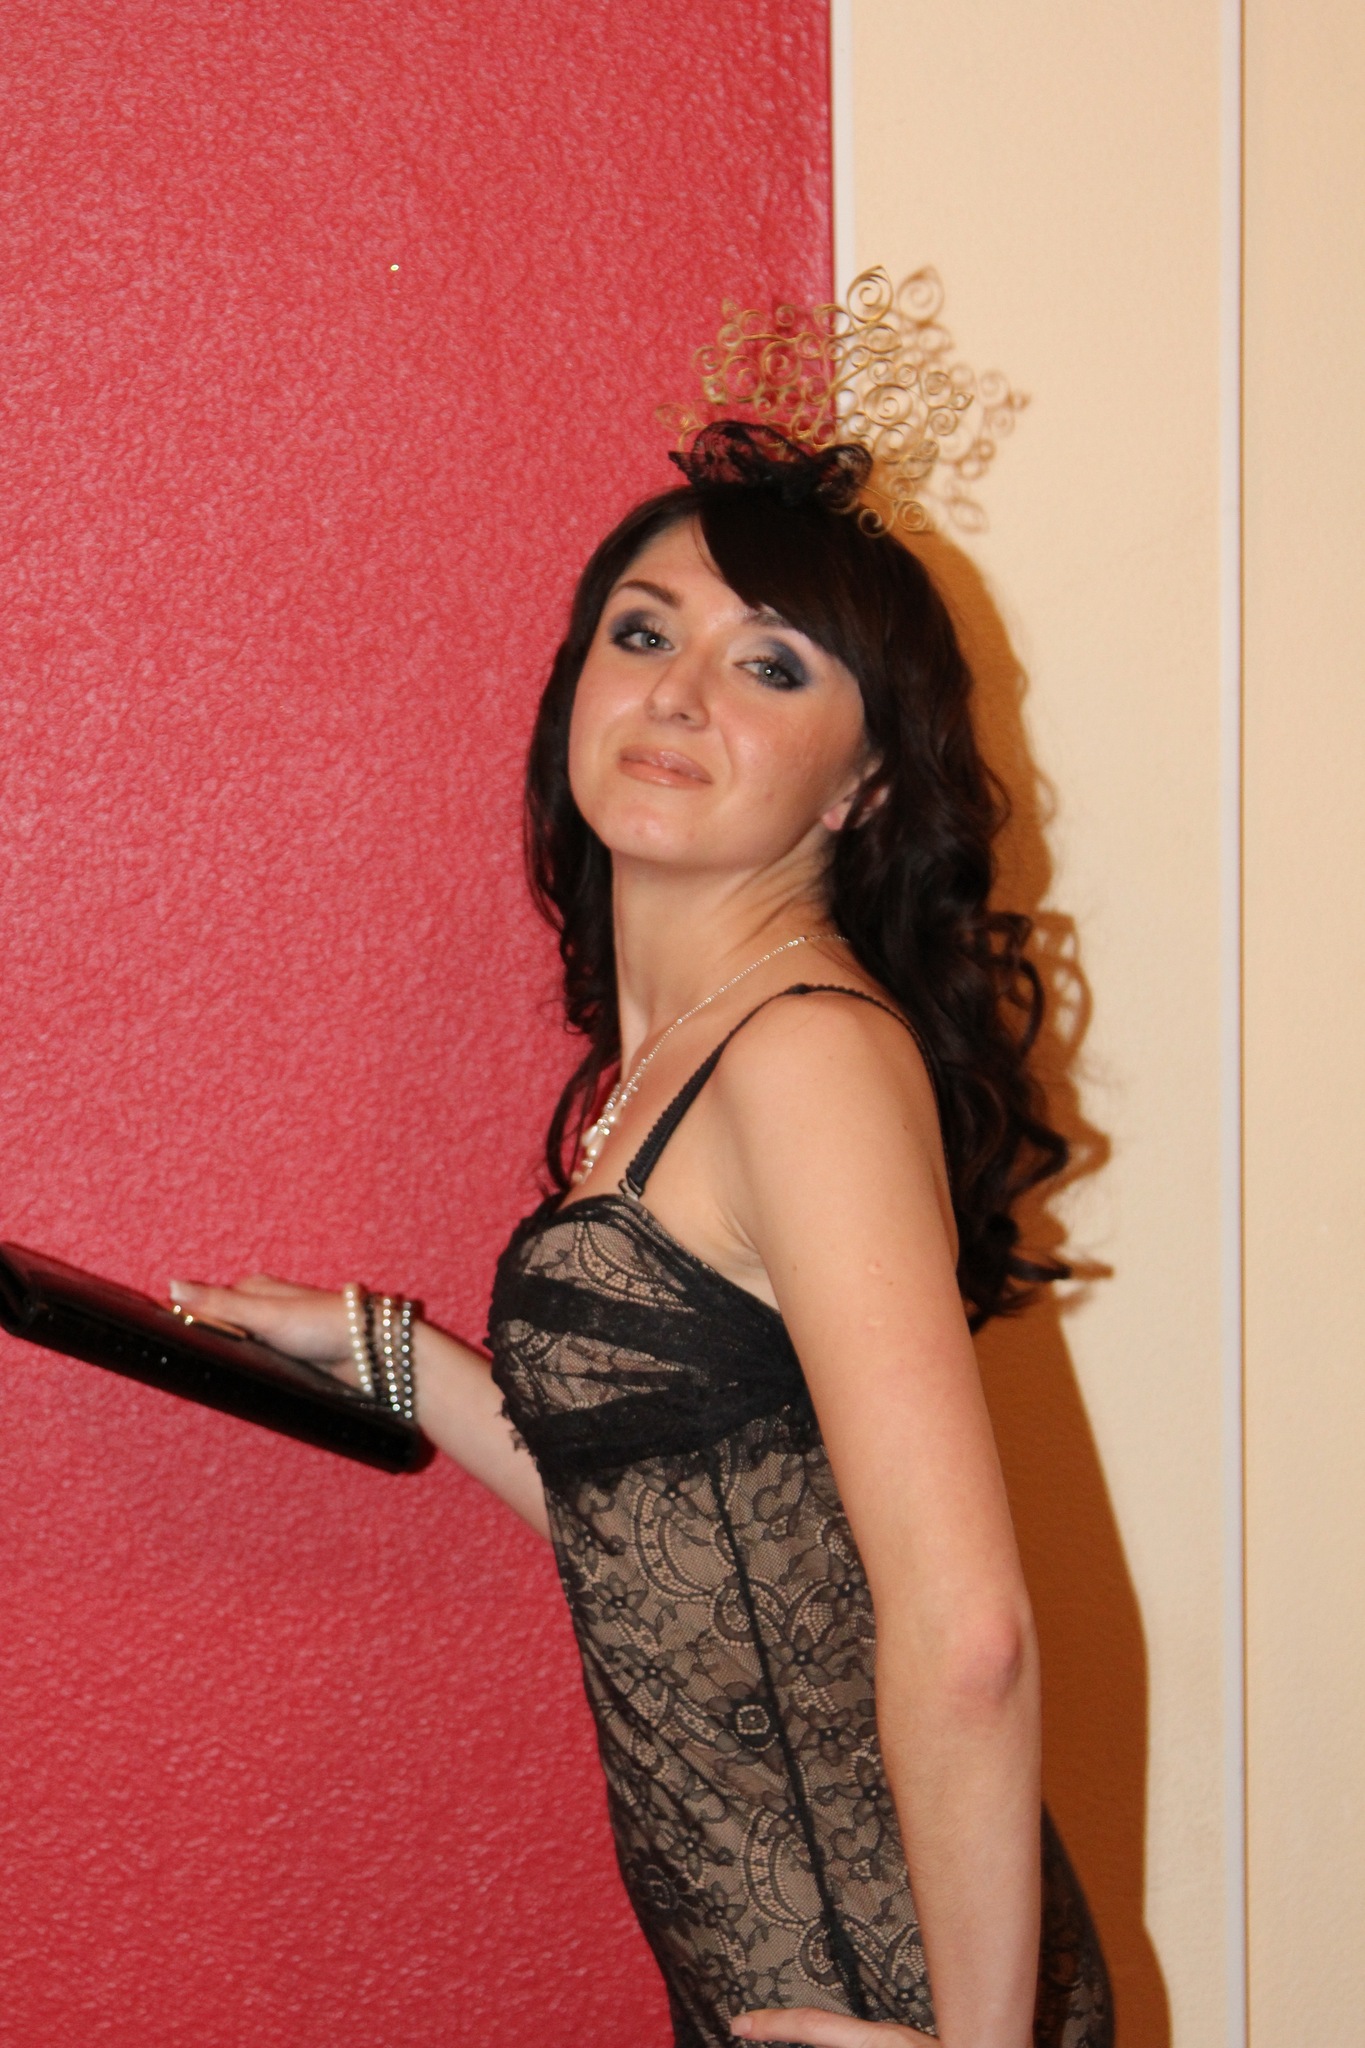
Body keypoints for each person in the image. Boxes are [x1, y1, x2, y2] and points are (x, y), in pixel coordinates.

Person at [170, 421, 1111, 2048]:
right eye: (644, 632)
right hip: (785, 1984)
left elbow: (968, 1638)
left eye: (770, 665)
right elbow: (654, 1527)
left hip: (897, 1994)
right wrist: (386, 1351)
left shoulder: (802, 1057)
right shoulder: (688, 1059)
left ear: (866, 782)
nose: (678, 693)